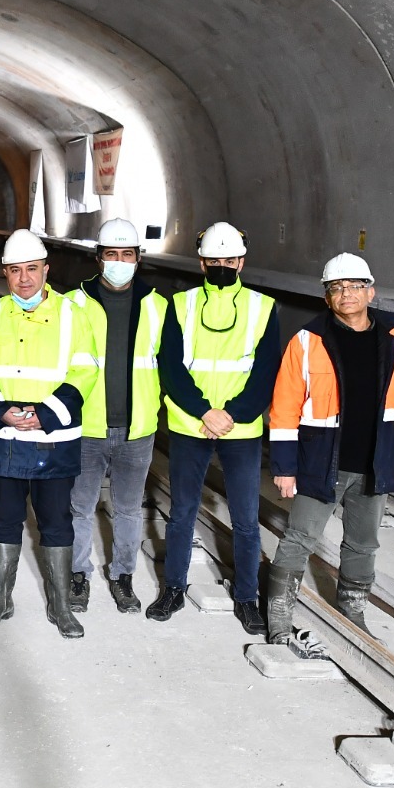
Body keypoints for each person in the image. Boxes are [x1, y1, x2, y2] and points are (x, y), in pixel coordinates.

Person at [265, 253, 394, 642]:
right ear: (327, 298)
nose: (346, 294)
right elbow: (285, 407)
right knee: (299, 536)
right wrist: (284, 466)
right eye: (337, 288)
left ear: (370, 292)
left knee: (363, 543)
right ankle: (278, 612)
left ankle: (352, 609)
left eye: (355, 286)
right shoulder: (307, 342)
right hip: (321, 461)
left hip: (375, 463)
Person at [0, 229, 97, 639]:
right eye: (15, 270)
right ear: (5, 273)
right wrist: (0, 410)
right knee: (4, 519)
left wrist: (45, 414)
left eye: (32, 269)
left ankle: (60, 605)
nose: (24, 279)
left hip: (53, 439)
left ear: (46, 270)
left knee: (55, 521)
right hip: (4, 438)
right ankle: (0, 600)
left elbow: (85, 369)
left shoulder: (73, 316)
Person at [148, 221, 280, 637]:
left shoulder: (264, 307)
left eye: (230, 259)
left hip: (239, 429)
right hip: (192, 423)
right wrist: (206, 411)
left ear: (241, 261)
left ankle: (246, 597)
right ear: (201, 262)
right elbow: (170, 367)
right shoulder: (180, 304)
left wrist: (232, 414)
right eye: (215, 260)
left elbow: (265, 372)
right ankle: (173, 588)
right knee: (183, 512)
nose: (222, 265)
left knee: (245, 517)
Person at [65, 218, 166, 615]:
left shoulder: (157, 305)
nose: (120, 261)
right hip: (87, 426)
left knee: (127, 509)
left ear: (139, 258)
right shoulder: (73, 303)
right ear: (98, 258)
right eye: (112, 254)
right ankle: (78, 575)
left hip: (137, 428)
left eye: (127, 254)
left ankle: (122, 576)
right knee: (80, 508)